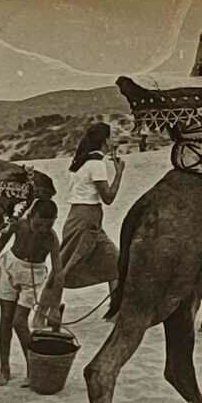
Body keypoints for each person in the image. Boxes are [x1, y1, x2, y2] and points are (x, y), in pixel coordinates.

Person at [0, 198, 62, 386]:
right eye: (38, 224)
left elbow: (58, 271)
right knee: (5, 319)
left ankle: (33, 368)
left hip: (33, 276)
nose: (42, 229)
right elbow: (2, 242)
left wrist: (54, 305)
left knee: (19, 322)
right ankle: (5, 368)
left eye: (48, 225)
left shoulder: (51, 238)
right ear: (30, 216)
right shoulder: (19, 226)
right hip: (10, 267)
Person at [57, 121, 123, 308]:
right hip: (87, 220)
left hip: (81, 217)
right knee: (64, 267)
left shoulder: (82, 162)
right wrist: (119, 173)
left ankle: (115, 308)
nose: (114, 140)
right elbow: (108, 198)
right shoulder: (96, 164)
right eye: (111, 137)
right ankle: (46, 309)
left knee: (115, 263)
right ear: (105, 141)